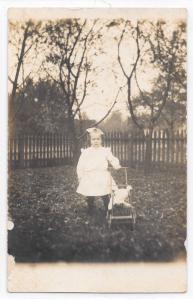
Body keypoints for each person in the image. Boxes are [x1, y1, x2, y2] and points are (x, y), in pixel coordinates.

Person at [76, 127, 121, 216]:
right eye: (93, 139)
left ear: (101, 140)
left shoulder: (105, 151)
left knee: (105, 193)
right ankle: (91, 208)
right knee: (90, 194)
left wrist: (116, 165)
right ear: (90, 140)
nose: (96, 141)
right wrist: (80, 175)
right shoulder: (86, 152)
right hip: (90, 176)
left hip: (102, 175)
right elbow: (80, 164)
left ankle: (108, 208)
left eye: (98, 139)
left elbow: (112, 159)